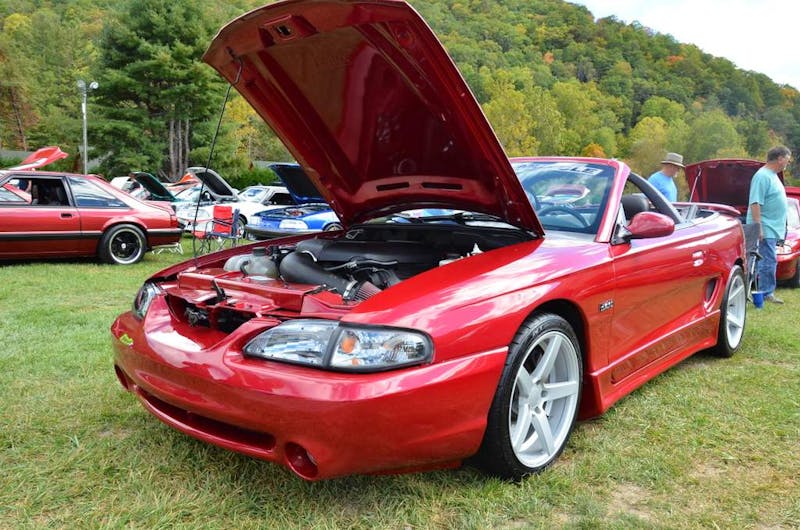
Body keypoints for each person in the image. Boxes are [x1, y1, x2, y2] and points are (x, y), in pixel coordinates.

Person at [746, 145, 791, 304]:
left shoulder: (772, 176)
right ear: (779, 158)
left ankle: (765, 292)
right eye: (787, 158)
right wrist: (758, 226)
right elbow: (755, 202)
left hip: (771, 228)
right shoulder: (762, 176)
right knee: (767, 261)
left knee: (768, 260)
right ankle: (766, 293)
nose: (788, 162)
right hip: (764, 227)